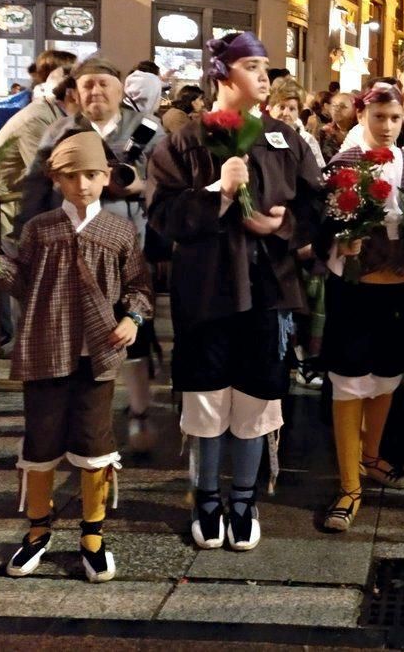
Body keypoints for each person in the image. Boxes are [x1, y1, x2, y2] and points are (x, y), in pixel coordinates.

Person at [146, 32, 321, 552]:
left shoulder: (285, 139)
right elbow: (160, 220)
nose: (264, 76)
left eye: (266, 65)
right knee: (205, 394)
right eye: (251, 65)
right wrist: (216, 194)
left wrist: (287, 224)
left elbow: (317, 206)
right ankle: (205, 497)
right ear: (221, 74)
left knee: (258, 393)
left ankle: (243, 499)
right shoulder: (182, 141)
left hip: (268, 291)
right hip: (205, 292)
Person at [0, 131, 152, 582]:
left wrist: (133, 318)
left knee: (95, 442)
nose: (83, 184)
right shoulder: (40, 228)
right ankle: (37, 529)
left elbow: (140, 286)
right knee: (41, 439)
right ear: (56, 178)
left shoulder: (120, 230)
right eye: (72, 176)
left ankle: (93, 533)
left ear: (107, 177)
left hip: (99, 352)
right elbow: (22, 283)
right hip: (46, 348)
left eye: (92, 175)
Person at [21, 57, 164, 452]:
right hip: (68, 249)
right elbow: (36, 183)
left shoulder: (147, 129)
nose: (96, 92)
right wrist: (25, 237)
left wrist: (140, 188)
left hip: (127, 246)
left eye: (103, 84)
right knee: (71, 331)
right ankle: (76, 411)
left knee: (133, 330)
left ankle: (138, 411)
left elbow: (168, 181)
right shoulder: (61, 130)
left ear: (120, 90)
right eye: (87, 86)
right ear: (76, 93)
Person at [317, 82, 404, 531]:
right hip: (356, 286)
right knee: (349, 379)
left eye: (395, 118)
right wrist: (342, 238)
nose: (386, 126)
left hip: (399, 284)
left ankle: (371, 456)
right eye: (379, 117)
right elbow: (323, 224)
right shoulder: (343, 162)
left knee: (386, 375)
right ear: (362, 116)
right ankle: (348, 485)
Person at [0, 72, 80, 196]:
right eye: (88, 87)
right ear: (72, 94)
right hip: (6, 202)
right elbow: (46, 176)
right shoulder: (38, 119)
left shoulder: (68, 117)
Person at [268, 77, 326, 170]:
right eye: (281, 107)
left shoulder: (306, 140)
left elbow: (319, 174)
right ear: (270, 108)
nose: (286, 113)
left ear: (298, 112)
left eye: (292, 109)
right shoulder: (259, 135)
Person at [318, 92, 357, 163]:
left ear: (354, 110)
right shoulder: (324, 131)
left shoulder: (359, 133)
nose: (337, 109)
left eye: (342, 106)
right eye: (334, 105)